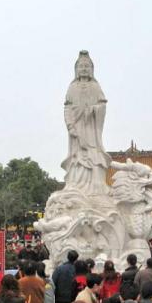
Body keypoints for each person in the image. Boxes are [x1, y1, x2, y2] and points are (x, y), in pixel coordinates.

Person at [61, 50, 112, 195]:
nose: (84, 68)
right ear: (76, 69)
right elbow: (67, 108)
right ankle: (76, 185)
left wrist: (93, 110)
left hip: (91, 128)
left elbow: (102, 104)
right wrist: (70, 125)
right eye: (81, 66)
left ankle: (97, 186)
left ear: (91, 69)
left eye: (87, 66)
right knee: (78, 157)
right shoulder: (72, 87)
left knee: (94, 155)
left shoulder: (95, 87)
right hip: (77, 128)